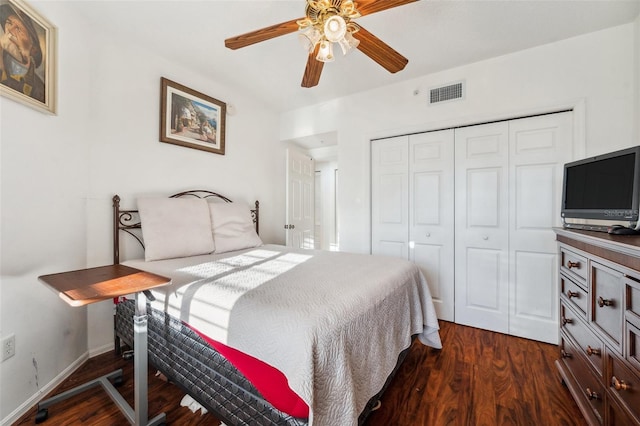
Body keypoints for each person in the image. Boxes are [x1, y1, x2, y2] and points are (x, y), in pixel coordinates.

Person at [0, 3, 45, 103]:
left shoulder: (40, 89)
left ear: (33, 48)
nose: (10, 30)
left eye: (18, 28)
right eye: (9, 23)